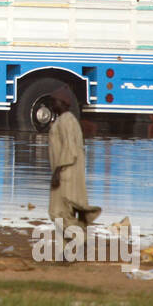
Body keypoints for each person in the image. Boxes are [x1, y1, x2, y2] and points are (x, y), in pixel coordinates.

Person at [46, 87, 100, 237]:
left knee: (57, 212)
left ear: (63, 103)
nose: (51, 105)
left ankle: (80, 237)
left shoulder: (67, 120)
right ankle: (67, 250)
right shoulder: (66, 120)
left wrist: (57, 172)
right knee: (67, 212)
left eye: (53, 101)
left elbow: (70, 149)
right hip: (69, 171)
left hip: (65, 172)